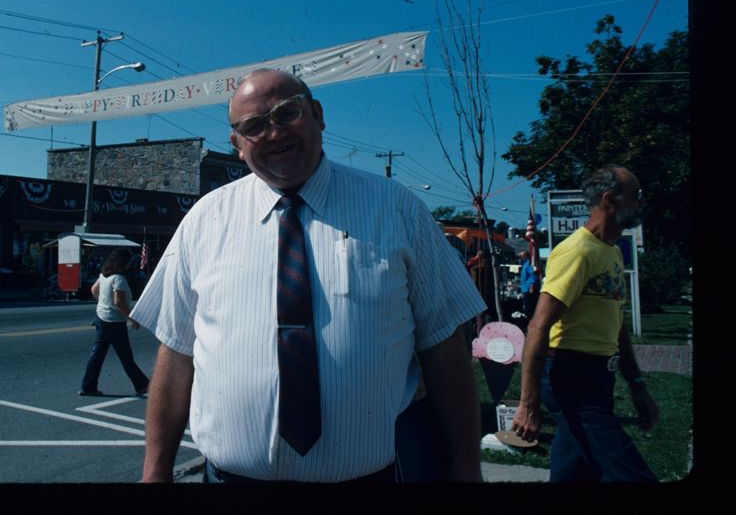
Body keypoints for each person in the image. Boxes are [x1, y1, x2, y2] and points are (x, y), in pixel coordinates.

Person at [130, 69, 487, 483]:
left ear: (317, 114)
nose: (274, 132)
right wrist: (155, 472)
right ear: (237, 145)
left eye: (287, 112)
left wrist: (466, 469)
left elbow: (444, 348)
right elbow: (176, 356)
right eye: (254, 126)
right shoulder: (204, 221)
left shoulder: (398, 210)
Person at [512, 164, 658, 482]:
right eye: (637, 195)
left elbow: (615, 323)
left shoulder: (611, 252)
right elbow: (539, 326)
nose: (642, 202)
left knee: (573, 473)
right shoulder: (577, 252)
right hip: (571, 381)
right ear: (610, 200)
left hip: (598, 378)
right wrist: (528, 404)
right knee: (630, 475)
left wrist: (637, 386)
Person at [79, 248, 150, 397]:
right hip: (113, 323)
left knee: (97, 355)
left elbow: (93, 290)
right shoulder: (119, 279)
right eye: (129, 262)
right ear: (123, 263)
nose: (131, 264)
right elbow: (119, 302)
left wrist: (104, 303)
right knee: (125, 356)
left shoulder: (104, 276)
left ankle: (88, 387)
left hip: (101, 319)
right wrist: (132, 318)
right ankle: (142, 385)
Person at [518, 249, 540, 321]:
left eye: (521, 256)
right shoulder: (524, 265)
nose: (520, 258)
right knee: (527, 307)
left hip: (529, 290)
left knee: (529, 309)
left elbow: (534, 274)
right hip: (525, 289)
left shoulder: (528, 264)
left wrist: (531, 285)